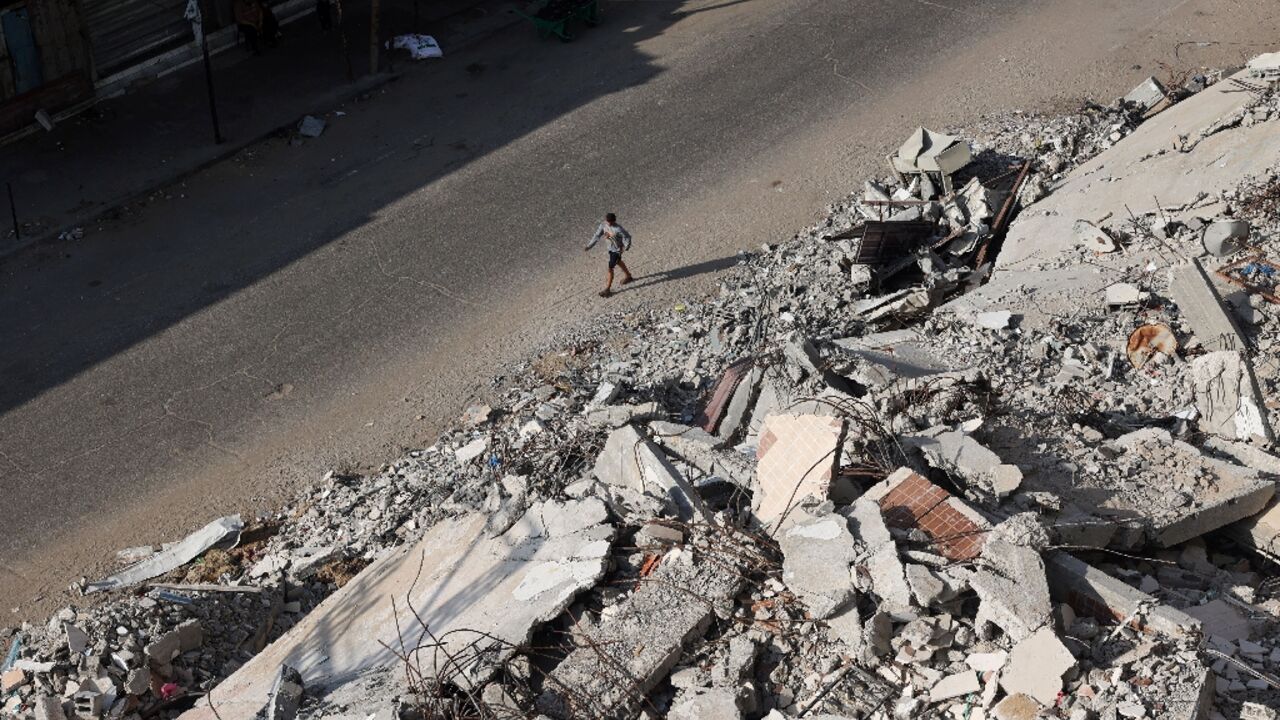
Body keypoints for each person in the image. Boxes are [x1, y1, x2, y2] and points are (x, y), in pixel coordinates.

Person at [584, 213, 634, 297]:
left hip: (617, 250)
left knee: (610, 268)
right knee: (618, 262)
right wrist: (590, 245)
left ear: (614, 221)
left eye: (611, 222)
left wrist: (626, 247)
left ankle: (607, 289)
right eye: (608, 221)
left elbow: (628, 237)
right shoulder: (603, 225)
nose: (609, 224)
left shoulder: (618, 229)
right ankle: (628, 276)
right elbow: (597, 235)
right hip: (610, 249)